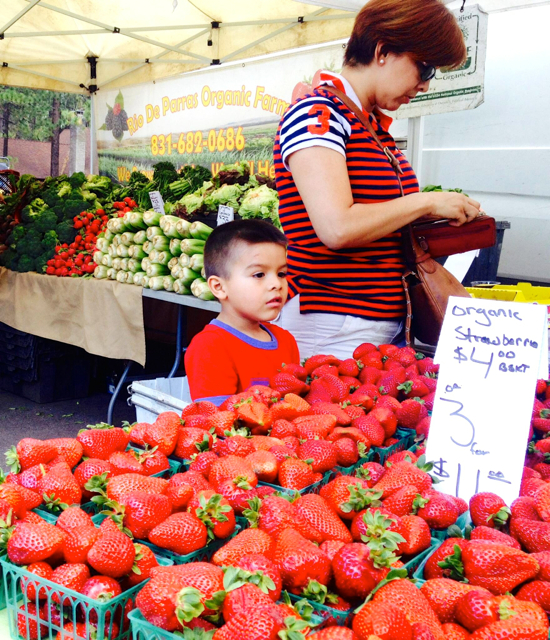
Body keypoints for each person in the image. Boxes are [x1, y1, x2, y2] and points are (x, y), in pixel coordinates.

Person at [273, 0, 482, 360]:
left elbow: (377, 218)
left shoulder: (371, 128)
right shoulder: (316, 115)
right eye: (426, 68)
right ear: (383, 50)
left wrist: (439, 216)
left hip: (374, 329)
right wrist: (426, 202)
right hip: (329, 328)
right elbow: (336, 227)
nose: (425, 86)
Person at [185, 219, 300, 404]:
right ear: (219, 287)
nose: (276, 284)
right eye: (259, 274)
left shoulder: (286, 341)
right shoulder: (210, 346)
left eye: (281, 274)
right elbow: (218, 424)